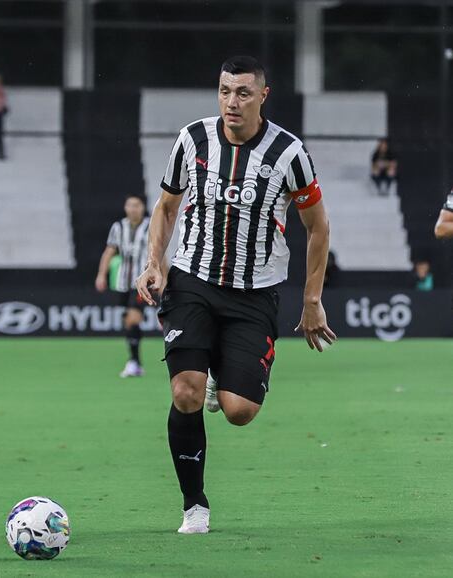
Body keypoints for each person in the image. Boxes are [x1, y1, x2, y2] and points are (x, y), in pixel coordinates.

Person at [136, 56, 335, 535]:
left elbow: (318, 226)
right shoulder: (193, 139)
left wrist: (311, 301)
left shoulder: (289, 153)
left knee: (240, 412)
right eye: (225, 90)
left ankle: (219, 372)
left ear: (262, 96)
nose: (231, 101)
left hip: (256, 294)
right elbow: (165, 206)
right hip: (193, 282)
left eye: (243, 92)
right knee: (184, 390)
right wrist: (153, 262)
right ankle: (194, 504)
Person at [95, 195, 150, 377]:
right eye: (129, 205)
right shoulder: (118, 227)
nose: (133, 208)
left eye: (136, 205)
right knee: (128, 321)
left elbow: (158, 254)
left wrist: (164, 279)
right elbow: (109, 252)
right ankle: (136, 361)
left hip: (142, 282)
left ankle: (134, 363)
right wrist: (101, 275)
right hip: (122, 282)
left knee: (133, 318)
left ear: (143, 207)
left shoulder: (150, 225)